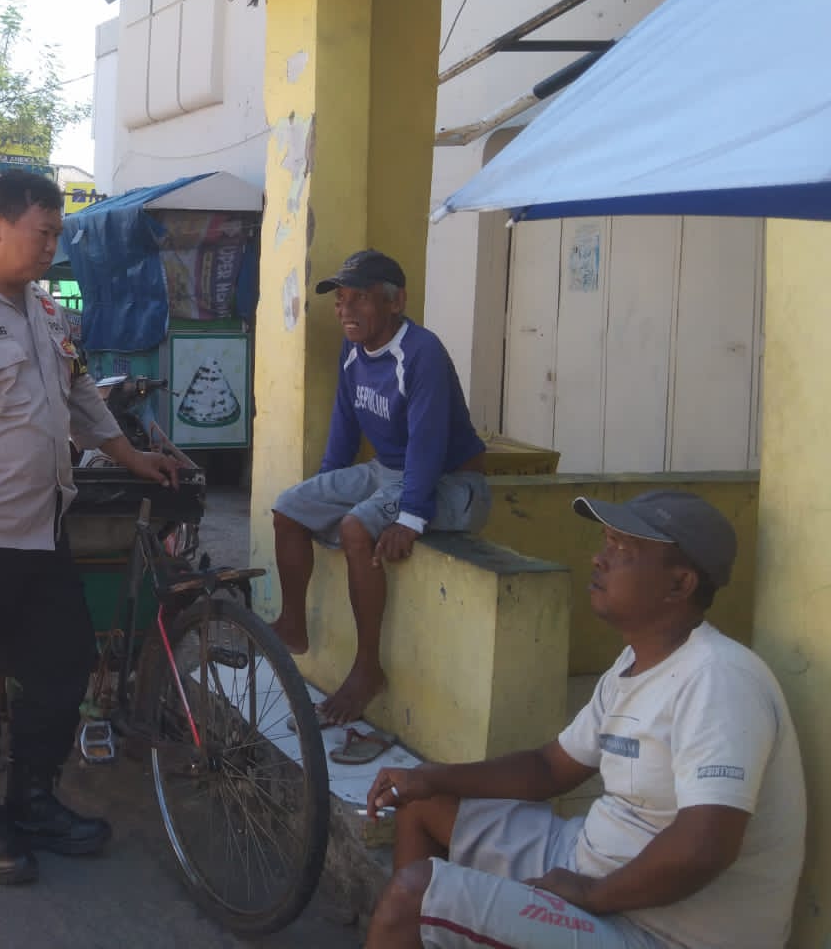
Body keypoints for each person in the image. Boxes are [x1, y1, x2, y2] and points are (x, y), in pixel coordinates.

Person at [0, 170, 179, 885]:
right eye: (41, 233)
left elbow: (79, 395)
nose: (52, 247)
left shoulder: (45, 311)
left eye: (57, 235)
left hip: (38, 533)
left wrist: (130, 455)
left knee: (61, 668)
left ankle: (34, 798)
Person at [364, 491, 807, 949]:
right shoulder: (632, 664)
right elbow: (550, 768)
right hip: (586, 862)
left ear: (679, 585)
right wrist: (431, 776)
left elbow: (705, 845)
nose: (599, 559)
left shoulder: (719, 679)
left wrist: (592, 894)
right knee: (423, 803)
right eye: (606, 542)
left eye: (623, 550)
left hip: (659, 930)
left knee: (413, 897)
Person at [269, 249, 488, 725]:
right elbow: (344, 425)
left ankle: (368, 670)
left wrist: (411, 516)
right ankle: (292, 626)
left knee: (356, 528)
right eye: (340, 300)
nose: (345, 310)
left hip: (449, 482)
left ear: (395, 302)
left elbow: (428, 441)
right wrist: (324, 487)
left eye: (360, 298)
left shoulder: (422, 352)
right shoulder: (353, 349)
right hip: (387, 469)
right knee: (288, 508)